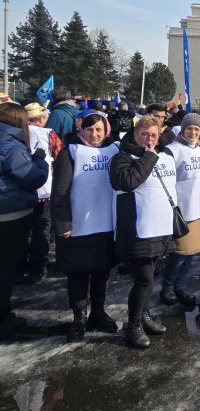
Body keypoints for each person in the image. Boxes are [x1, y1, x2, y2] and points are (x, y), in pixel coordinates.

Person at [110, 115, 177, 349]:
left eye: (154, 135)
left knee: (152, 276)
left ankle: (145, 315)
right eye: (144, 134)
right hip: (139, 227)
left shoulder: (166, 154)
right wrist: (149, 155)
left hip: (161, 225)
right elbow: (128, 182)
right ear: (135, 134)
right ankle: (133, 325)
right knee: (143, 279)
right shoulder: (122, 157)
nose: (149, 139)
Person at [51, 113, 119, 342]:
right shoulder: (70, 152)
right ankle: (79, 316)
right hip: (79, 224)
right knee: (79, 273)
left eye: (99, 130)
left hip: (106, 223)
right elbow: (59, 191)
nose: (95, 134)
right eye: (90, 130)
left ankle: (98, 312)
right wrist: (62, 223)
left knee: (103, 271)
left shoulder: (113, 150)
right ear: (82, 130)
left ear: (106, 130)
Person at [0, 103, 49, 338]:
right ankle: (3, 318)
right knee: (5, 268)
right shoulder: (10, 145)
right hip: (10, 215)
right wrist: (40, 160)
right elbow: (32, 178)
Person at [160, 113, 200, 306]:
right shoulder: (172, 150)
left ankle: (181, 285)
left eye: (197, 129)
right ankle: (168, 286)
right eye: (189, 128)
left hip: (198, 206)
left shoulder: (199, 149)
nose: (193, 132)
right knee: (179, 253)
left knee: (192, 252)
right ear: (182, 129)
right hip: (181, 208)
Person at [21, 102, 62, 283]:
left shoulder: (16, 132)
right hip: (44, 189)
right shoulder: (48, 133)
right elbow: (60, 156)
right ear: (40, 118)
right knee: (41, 231)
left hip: (20, 188)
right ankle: (37, 269)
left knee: (21, 231)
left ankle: (18, 267)